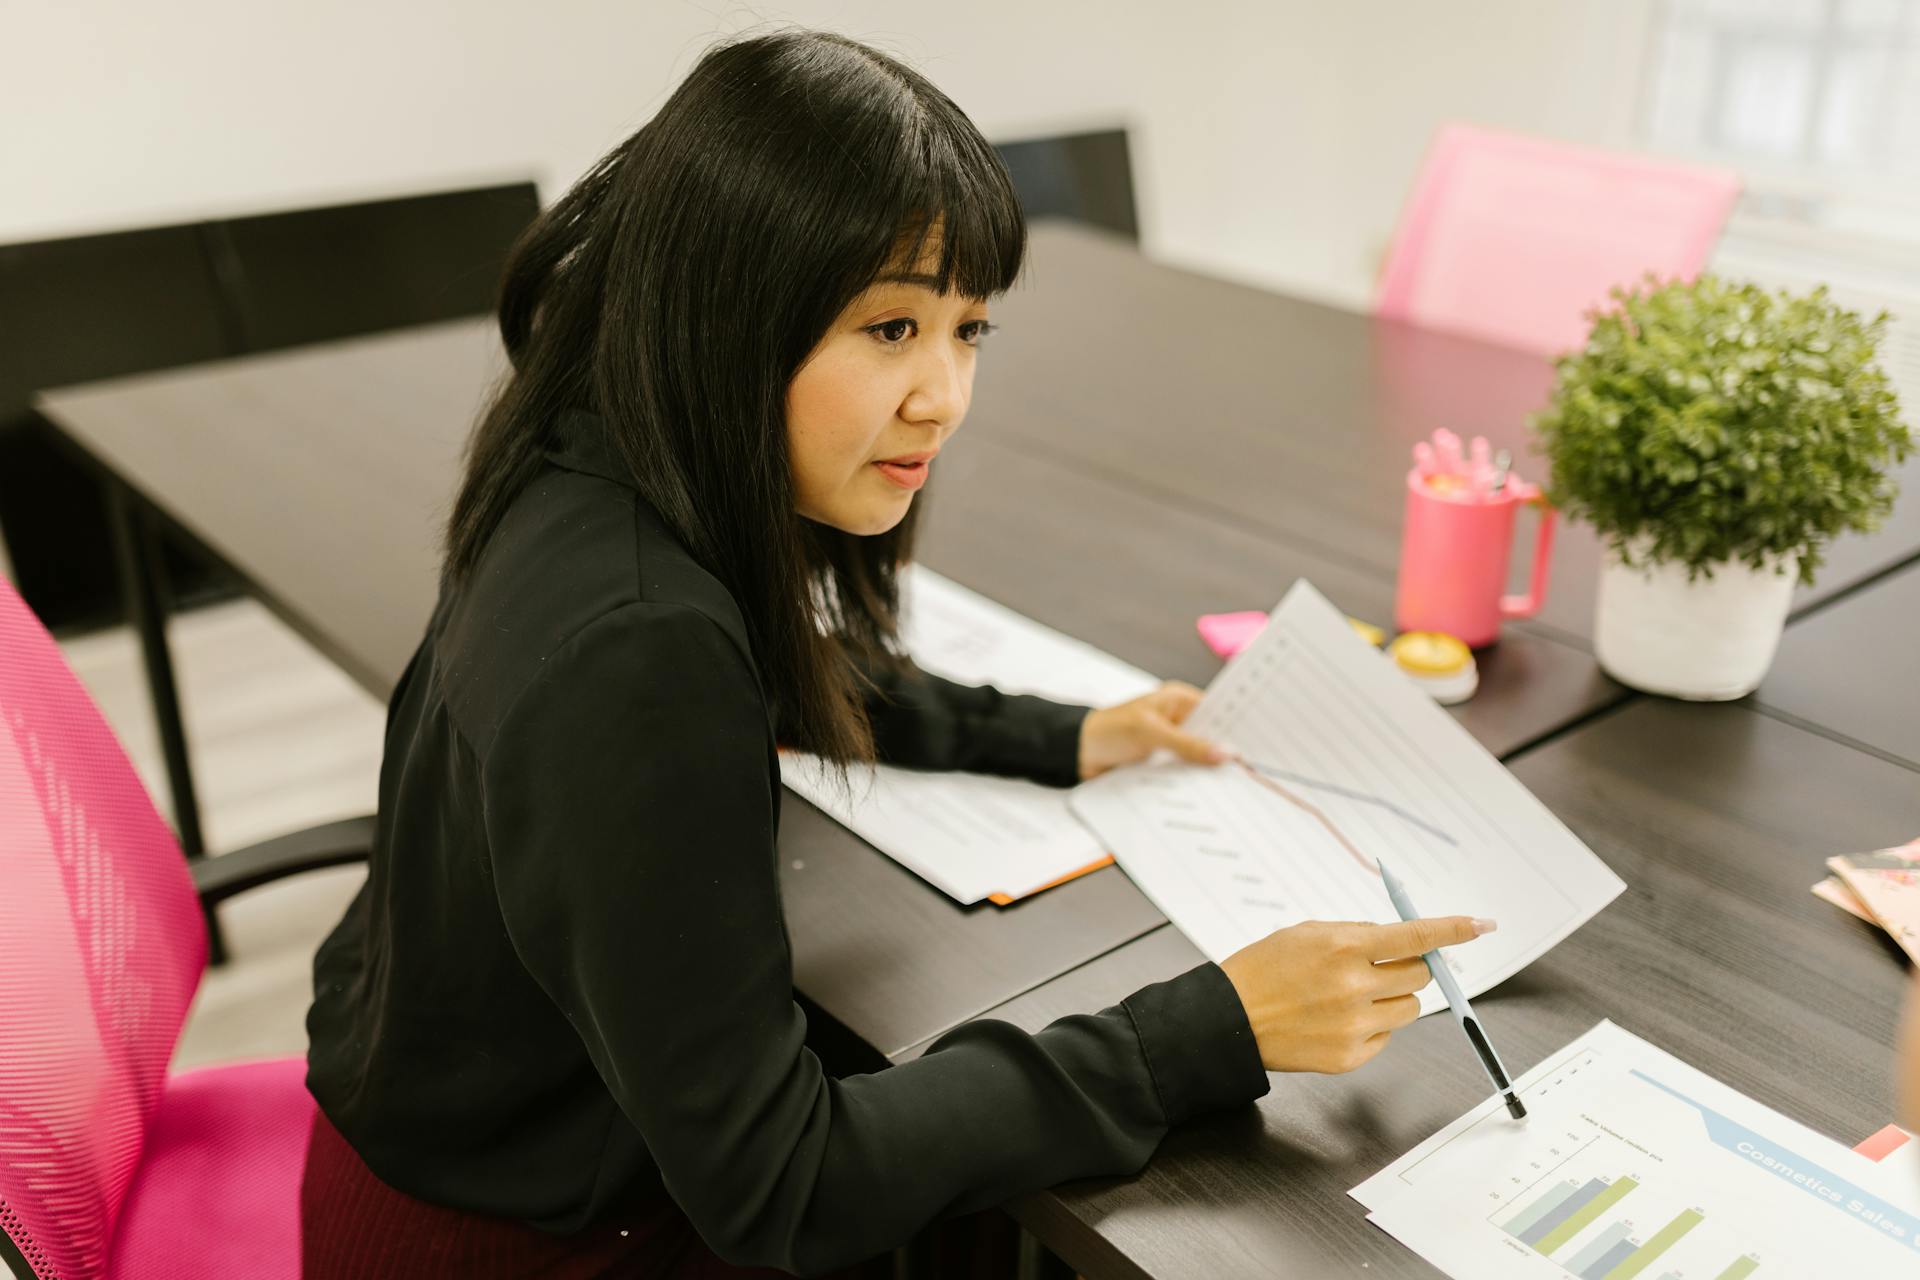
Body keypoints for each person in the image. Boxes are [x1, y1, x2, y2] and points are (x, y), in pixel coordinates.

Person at [300, 28, 1491, 1279]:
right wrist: (1214, 1027)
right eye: (888, 328)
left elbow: (763, 662)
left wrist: (1057, 732)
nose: (944, 395)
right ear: (728, 310)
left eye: (967, 330)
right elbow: (785, 1183)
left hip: (458, 1149)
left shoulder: (590, 453)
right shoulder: (637, 650)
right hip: (520, 1245)